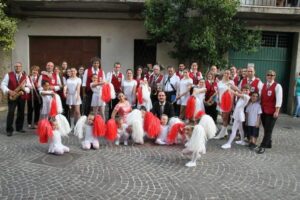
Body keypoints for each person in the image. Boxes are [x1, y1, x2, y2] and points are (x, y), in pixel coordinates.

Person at [1, 62, 31, 136]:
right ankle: (9, 130)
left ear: (21, 67)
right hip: (12, 95)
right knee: (11, 112)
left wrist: (24, 88)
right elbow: (3, 84)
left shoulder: (25, 76)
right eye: (16, 66)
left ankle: (19, 127)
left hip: (21, 96)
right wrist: (9, 91)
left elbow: (29, 87)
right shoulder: (8, 75)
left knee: (21, 112)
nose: (18, 68)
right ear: (14, 67)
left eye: (19, 66)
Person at [257, 70, 283, 154]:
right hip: (263, 110)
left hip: (272, 112)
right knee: (266, 128)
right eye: (268, 75)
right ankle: (269, 143)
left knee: (268, 130)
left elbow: (279, 99)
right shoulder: (263, 85)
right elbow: (260, 97)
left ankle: (263, 145)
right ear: (266, 76)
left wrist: (277, 111)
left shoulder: (277, 86)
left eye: (272, 75)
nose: (270, 76)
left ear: (274, 76)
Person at [221, 85, 250, 149]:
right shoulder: (243, 95)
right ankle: (242, 141)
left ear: (249, 91)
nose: (245, 91)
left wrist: (229, 89)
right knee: (240, 129)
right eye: (244, 90)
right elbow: (237, 89)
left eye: (247, 90)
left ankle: (229, 143)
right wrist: (231, 85)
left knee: (234, 129)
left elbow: (236, 93)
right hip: (238, 114)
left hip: (239, 115)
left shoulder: (246, 96)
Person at [214, 70, 238, 139]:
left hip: (228, 102)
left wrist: (240, 93)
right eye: (226, 73)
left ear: (230, 75)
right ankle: (225, 132)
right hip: (220, 102)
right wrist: (218, 100)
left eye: (228, 73)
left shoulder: (231, 82)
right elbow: (218, 92)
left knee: (225, 118)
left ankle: (221, 134)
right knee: (223, 118)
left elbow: (234, 91)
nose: (227, 74)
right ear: (223, 74)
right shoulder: (219, 82)